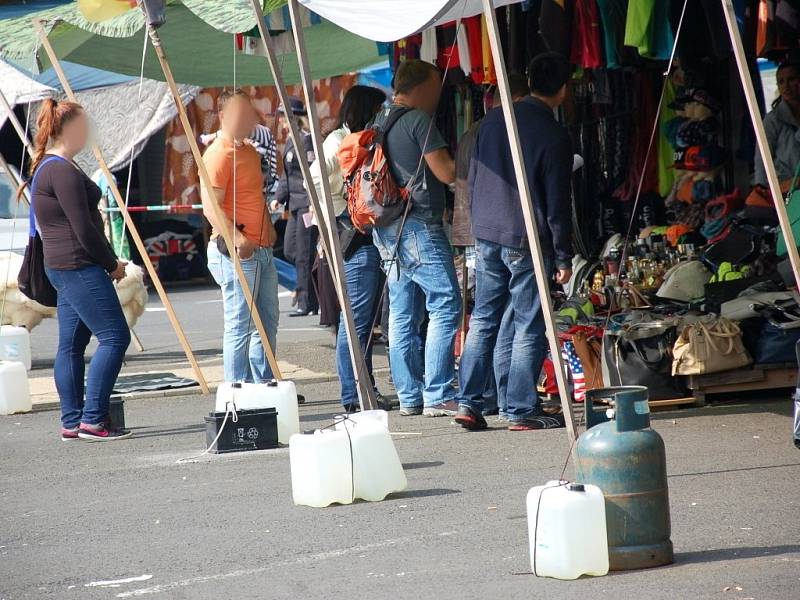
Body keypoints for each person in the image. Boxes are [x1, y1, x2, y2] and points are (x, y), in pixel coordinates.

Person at [454, 52, 574, 432]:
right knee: (528, 323)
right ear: (564, 89)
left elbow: (472, 178)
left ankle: (469, 402)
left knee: (485, 317)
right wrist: (563, 254)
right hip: (524, 237)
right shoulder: (552, 133)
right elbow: (557, 202)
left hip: (487, 231)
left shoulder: (492, 121)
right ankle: (520, 408)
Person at [20, 99, 131, 441]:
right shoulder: (60, 170)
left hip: (64, 265)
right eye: (85, 126)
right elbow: (83, 227)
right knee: (115, 337)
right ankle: (92, 419)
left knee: (71, 345)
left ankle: (73, 420)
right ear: (69, 129)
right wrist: (112, 264)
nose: (89, 132)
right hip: (78, 265)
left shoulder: (52, 168)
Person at [371, 60, 461, 417]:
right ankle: (438, 391)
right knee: (446, 302)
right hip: (418, 224)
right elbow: (447, 171)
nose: (439, 93)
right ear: (421, 87)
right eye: (436, 86)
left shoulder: (379, 120)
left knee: (403, 310)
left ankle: (410, 395)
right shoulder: (419, 121)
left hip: (386, 226)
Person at [308, 85, 389, 413]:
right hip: (351, 236)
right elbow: (312, 178)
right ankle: (354, 394)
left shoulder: (359, 138)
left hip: (360, 234)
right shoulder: (339, 140)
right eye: (379, 109)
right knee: (355, 320)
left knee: (362, 321)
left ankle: (362, 389)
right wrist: (341, 206)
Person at [203, 89, 279, 384]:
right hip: (237, 249)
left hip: (261, 246)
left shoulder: (248, 151)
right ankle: (237, 391)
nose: (249, 119)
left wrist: (269, 226)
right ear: (222, 116)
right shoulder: (218, 154)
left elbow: (255, 195)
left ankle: (265, 383)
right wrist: (237, 238)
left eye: (250, 113)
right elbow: (211, 206)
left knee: (267, 322)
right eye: (241, 114)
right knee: (240, 324)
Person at [274, 98, 318, 317]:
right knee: (290, 250)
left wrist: (313, 203)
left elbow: (312, 173)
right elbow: (287, 175)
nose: (281, 120)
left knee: (304, 253)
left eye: (284, 115)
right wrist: (278, 197)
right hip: (294, 206)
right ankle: (308, 290)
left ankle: (306, 300)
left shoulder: (306, 140)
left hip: (307, 206)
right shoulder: (291, 141)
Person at [754, 60, 800, 188]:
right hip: (785, 187)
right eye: (781, 82)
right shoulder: (772, 119)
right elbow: (762, 158)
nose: (786, 86)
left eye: (791, 79)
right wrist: (761, 187)